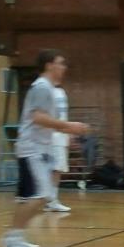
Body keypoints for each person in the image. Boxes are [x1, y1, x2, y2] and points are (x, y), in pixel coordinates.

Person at [4, 50, 88, 247]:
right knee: (40, 195)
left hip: (39, 148)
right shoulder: (42, 87)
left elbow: (46, 122)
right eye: (61, 63)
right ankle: (12, 238)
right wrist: (69, 125)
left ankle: (14, 238)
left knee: (35, 196)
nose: (64, 67)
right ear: (49, 65)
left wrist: (68, 131)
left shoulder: (47, 88)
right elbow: (38, 118)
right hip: (32, 148)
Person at [45, 85, 72, 213]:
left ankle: (51, 200)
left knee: (58, 169)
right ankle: (51, 201)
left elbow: (63, 116)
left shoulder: (61, 92)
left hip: (61, 136)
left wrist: (68, 133)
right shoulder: (43, 90)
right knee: (53, 169)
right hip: (50, 136)